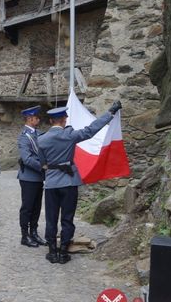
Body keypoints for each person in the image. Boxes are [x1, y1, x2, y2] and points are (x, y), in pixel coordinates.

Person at [38, 101, 122, 264]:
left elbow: (43, 164)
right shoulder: (69, 135)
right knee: (67, 218)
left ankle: (52, 252)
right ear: (64, 120)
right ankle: (63, 252)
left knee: (51, 218)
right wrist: (110, 113)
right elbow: (90, 131)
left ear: (50, 121)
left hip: (52, 184)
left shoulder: (41, 140)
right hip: (69, 183)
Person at [17, 106, 47, 247]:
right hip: (28, 177)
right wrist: (42, 167)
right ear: (30, 119)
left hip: (38, 177)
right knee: (27, 207)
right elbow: (27, 158)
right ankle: (25, 235)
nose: (38, 119)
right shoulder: (24, 137)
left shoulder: (38, 133)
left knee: (36, 207)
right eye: (36, 117)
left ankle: (34, 232)